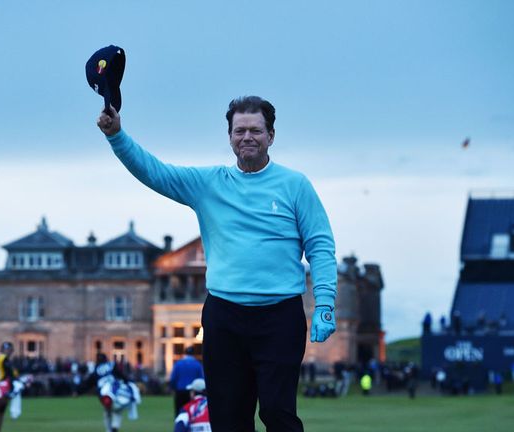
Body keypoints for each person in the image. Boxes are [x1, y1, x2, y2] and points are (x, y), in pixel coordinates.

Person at [97, 96, 337, 431]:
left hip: (279, 316)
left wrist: (325, 301)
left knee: (277, 412)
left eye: (256, 130)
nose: (247, 137)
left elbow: (320, 245)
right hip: (225, 315)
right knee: (227, 418)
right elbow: (155, 173)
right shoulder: (208, 183)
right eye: (240, 130)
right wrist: (117, 136)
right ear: (229, 137)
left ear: (271, 135)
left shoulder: (295, 185)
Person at [169, 346, 204, 417]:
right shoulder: (197, 364)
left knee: (179, 411)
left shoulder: (178, 364)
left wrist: (173, 388)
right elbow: (201, 379)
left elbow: (173, 378)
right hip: (192, 391)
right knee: (191, 411)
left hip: (180, 390)